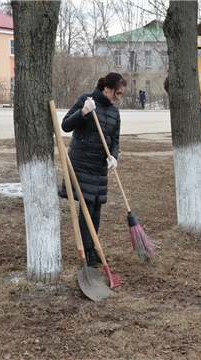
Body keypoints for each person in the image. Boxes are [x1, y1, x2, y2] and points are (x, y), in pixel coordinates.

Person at [60, 72, 127, 267]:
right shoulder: (86, 99)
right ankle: (88, 251)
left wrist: (113, 156)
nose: (119, 97)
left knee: (97, 206)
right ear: (107, 88)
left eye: (121, 94)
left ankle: (93, 247)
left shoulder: (114, 112)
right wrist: (83, 112)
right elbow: (65, 125)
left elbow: (115, 139)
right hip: (81, 162)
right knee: (87, 206)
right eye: (118, 93)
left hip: (99, 166)